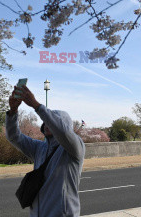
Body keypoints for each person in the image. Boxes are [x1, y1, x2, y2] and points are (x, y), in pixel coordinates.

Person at [7, 84, 85, 217]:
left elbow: (63, 132)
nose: (47, 123)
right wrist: (13, 111)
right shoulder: (39, 148)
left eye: (52, 121)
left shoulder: (75, 148)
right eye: (46, 121)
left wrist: (36, 105)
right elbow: (14, 137)